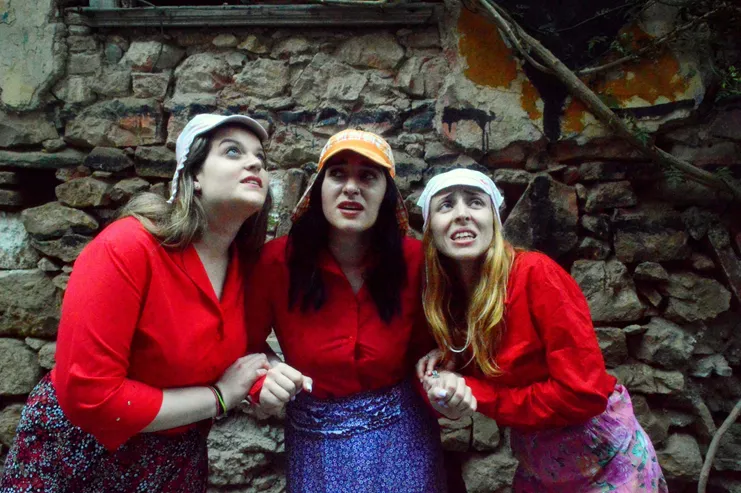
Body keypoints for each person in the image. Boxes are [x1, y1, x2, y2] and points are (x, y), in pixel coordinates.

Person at [1, 113, 273, 493]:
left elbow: (239, 351)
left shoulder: (248, 269)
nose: (255, 163)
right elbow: (90, 395)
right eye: (232, 151)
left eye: (261, 157)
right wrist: (219, 397)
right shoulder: (129, 247)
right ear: (193, 175)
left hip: (173, 465)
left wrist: (267, 378)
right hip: (82, 455)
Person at [415, 168, 668, 492]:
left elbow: (583, 393)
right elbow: (478, 373)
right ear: (430, 228)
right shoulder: (448, 299)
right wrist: (444, 373)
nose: (462, 214)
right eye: (446, 205)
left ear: (494, 220)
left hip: (605, 459)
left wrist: (477, 392)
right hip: (541, 464)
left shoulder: (536, 274)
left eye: (476, 202)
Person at [244, 129, 446, 492]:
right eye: (338, 174)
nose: (351, 188)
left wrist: (441, 363)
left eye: (368, 176)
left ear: (387, 194)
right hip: (315, 443)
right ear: (318, 188)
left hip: (402, 439)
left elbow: (432, 345)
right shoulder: (276, 262)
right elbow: (247, 345)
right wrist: (266, 378)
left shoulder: (415, 262)